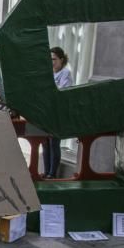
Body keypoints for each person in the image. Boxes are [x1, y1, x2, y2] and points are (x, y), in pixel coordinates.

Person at [43, 46, 73, 178]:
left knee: (54, 142)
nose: (52, 62)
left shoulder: (65, 73)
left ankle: (52, 173)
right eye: (49, 59)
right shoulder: (48, 73)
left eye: (54, 59)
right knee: (44, 142)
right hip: (46, 112)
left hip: (58, 113)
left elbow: (62, 91)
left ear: (61, 59)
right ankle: (46, 171)